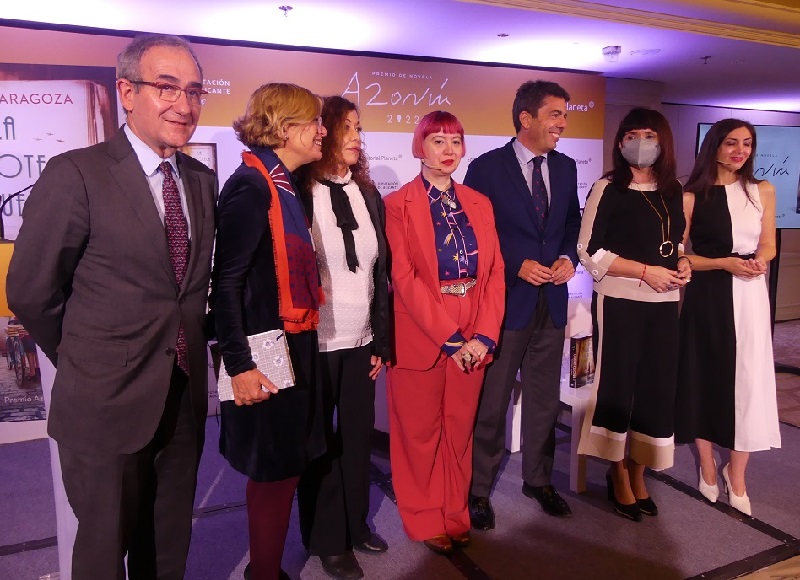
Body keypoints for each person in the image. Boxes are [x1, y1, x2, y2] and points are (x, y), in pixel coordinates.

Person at [7, 34, 216, 579]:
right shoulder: (76, 173)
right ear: (126, 92)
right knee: (103, 552)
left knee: (168, 544)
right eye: (167, 88)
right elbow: (31, 290)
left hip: (182, 394)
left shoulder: (200, 180)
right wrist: (86, 356)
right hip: (103, 403)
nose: (184, 104)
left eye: (194, 91)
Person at [211, 82, 327, 580]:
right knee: (273, 473)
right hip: (263, 352)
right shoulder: (252, 186)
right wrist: (239, 366)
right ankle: (263, 573)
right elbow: (226, 285)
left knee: (284, 470)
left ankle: (266, 568)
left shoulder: (283, 184)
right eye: (314, 122)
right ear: (284, 128)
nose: (323, 131)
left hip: (293, 343)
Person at [384, 110, 505, 554]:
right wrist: (451, 339)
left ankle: (455, 512)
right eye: (438, 141)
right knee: (418, 434)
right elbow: (404, 277)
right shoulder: (397, 204)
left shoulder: (479, 202)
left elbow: (494, 273)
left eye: (455, 141)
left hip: (474, 322)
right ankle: (423, 518)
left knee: (458, 429)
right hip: (422, 328)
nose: (448, 150)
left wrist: (484, 336)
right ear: (420, 147)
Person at [464, 80, 581, 527]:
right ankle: (478, 489)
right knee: (492, 402)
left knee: (543, 400)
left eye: (564, 115)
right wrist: (516, 263)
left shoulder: (566, 167)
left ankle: (538, 479)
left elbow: (570, 223)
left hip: (552, 302)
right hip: (504, 304)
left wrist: (568, 258)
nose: (563, 123)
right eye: (555, 114)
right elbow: (474, 234)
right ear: (526, 118)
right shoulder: (486, 168)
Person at [294, 95, 391, 579]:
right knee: (319, 444)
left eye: (358, 127)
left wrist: (381, 342)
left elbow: (380, 275)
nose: (356, 136)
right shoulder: (298, 190)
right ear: (323, 132)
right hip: (314, 343)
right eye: (346, 127)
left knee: (356, 440)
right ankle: (326, 538)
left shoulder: (367, 194)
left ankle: (355, 524)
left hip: (361, 342)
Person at [576, 107, 688, 521]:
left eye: (650, 135)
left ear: (663, 141)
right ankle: (617, 473)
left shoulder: (672, 189)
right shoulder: (607, 187)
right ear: (620, 141)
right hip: (619, 299)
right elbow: (589, 251)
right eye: (632, 135)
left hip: (664, 302)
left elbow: (675, 242)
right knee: (618, 386)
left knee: (656, 390)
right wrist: (644, 272)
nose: (641, 143)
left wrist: (683, 263)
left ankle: (640, 471)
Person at [676, 119, 780, 516]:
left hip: (750, 296)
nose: (740, 151)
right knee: (704, 376)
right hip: (707, 296)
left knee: (748, 380)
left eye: (747, 144)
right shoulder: (691, 195)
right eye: (732, 143)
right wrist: (724, 263)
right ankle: (706, 462)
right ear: (714, 146)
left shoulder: (762, 190)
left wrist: (760, 261)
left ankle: (736, 473)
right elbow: (679, 254)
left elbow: (768, 244)